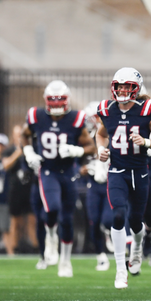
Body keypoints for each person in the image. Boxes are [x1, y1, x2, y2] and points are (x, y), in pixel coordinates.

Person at [95, 67, 151, 289]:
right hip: (117, 171)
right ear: (113, 87)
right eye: (120, 86)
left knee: (137, 221)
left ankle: (137, 248)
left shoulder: (147, 109)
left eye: (128, 86)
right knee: (118, 215)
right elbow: (100, 134)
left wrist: (146, 142)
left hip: (140, 173)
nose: (123, 90)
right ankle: (120, 270)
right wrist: (101, 150)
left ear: (136, 89)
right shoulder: (106, 109)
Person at [22, 80, 96, 277]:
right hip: (47, 171)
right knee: (52, 208)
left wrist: (76, 149)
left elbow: (91, 146)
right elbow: (24, 135)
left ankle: (65, 261)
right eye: (52, 101)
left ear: (67, 100)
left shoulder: (76, 118)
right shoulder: (36, 116)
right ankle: (51, 238)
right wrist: (29, 151)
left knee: (67, 219)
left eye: (59, 101)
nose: (55, 106)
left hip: (68, 172)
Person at [80, 101, 113, 271]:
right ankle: (101, 256)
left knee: (107, 220)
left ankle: (109, 233)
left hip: (110, 182)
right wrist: (83, 168)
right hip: (93, 183)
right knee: (93, 220)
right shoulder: (85, 137)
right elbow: (78, 161)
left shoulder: (110, 134)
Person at [5, 124, 38, 254]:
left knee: (32, 220)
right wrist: (17, 152)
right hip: (15, 190)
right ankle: (14, 248)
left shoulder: (30, 150)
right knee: (16, 221)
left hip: (29, 189)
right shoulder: (9, 151)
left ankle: (36, 247)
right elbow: (6, 165)